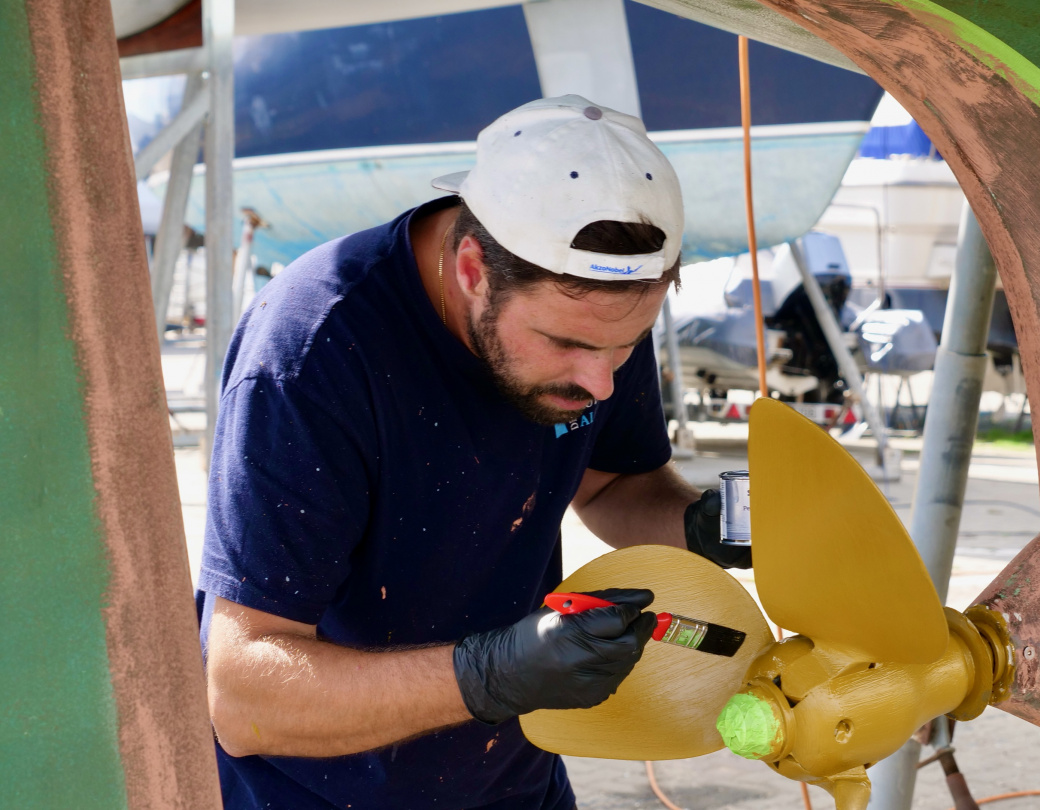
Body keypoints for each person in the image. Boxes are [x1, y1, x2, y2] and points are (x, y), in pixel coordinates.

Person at [196, 95, 749, 810]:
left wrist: (704, 526)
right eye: (569, 345)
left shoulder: (598, 319)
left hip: (512, 780)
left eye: (625, 347)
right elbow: (242, 696)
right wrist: (486, 675)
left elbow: (614, 487)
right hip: (321, 792)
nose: (600, 381)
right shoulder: (312, 355)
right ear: (471, 270)